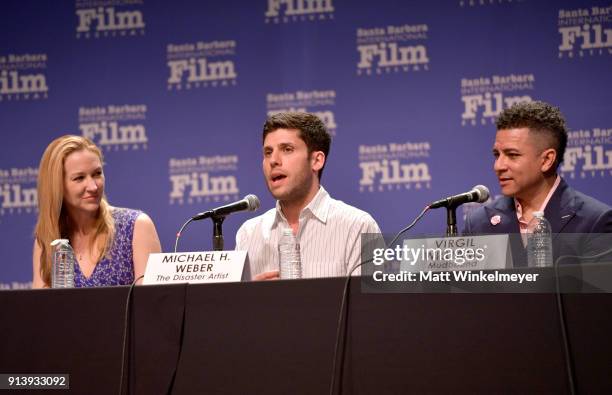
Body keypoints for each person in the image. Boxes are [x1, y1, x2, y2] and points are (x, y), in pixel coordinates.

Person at [236, 112, 381, 279]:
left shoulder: (358, 227)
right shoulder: (248, 234)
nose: (273, 160)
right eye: (268, 152)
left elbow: (373, 304)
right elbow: (235, 305)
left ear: (316, 161)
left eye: (287, 149)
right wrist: (251, 298)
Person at [463, 101, 612, 264]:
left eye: (512, 155)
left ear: (547, 160)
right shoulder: (478, 224)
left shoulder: (595, 222)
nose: (498, 166)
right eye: (497, 154)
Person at [32, 135, 162, 288]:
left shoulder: (136, 226)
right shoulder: (48, 240)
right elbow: (41, 308)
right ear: (57, 187)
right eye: (79, 178)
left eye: (97, 174)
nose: (93, 186)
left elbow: (152, 305)